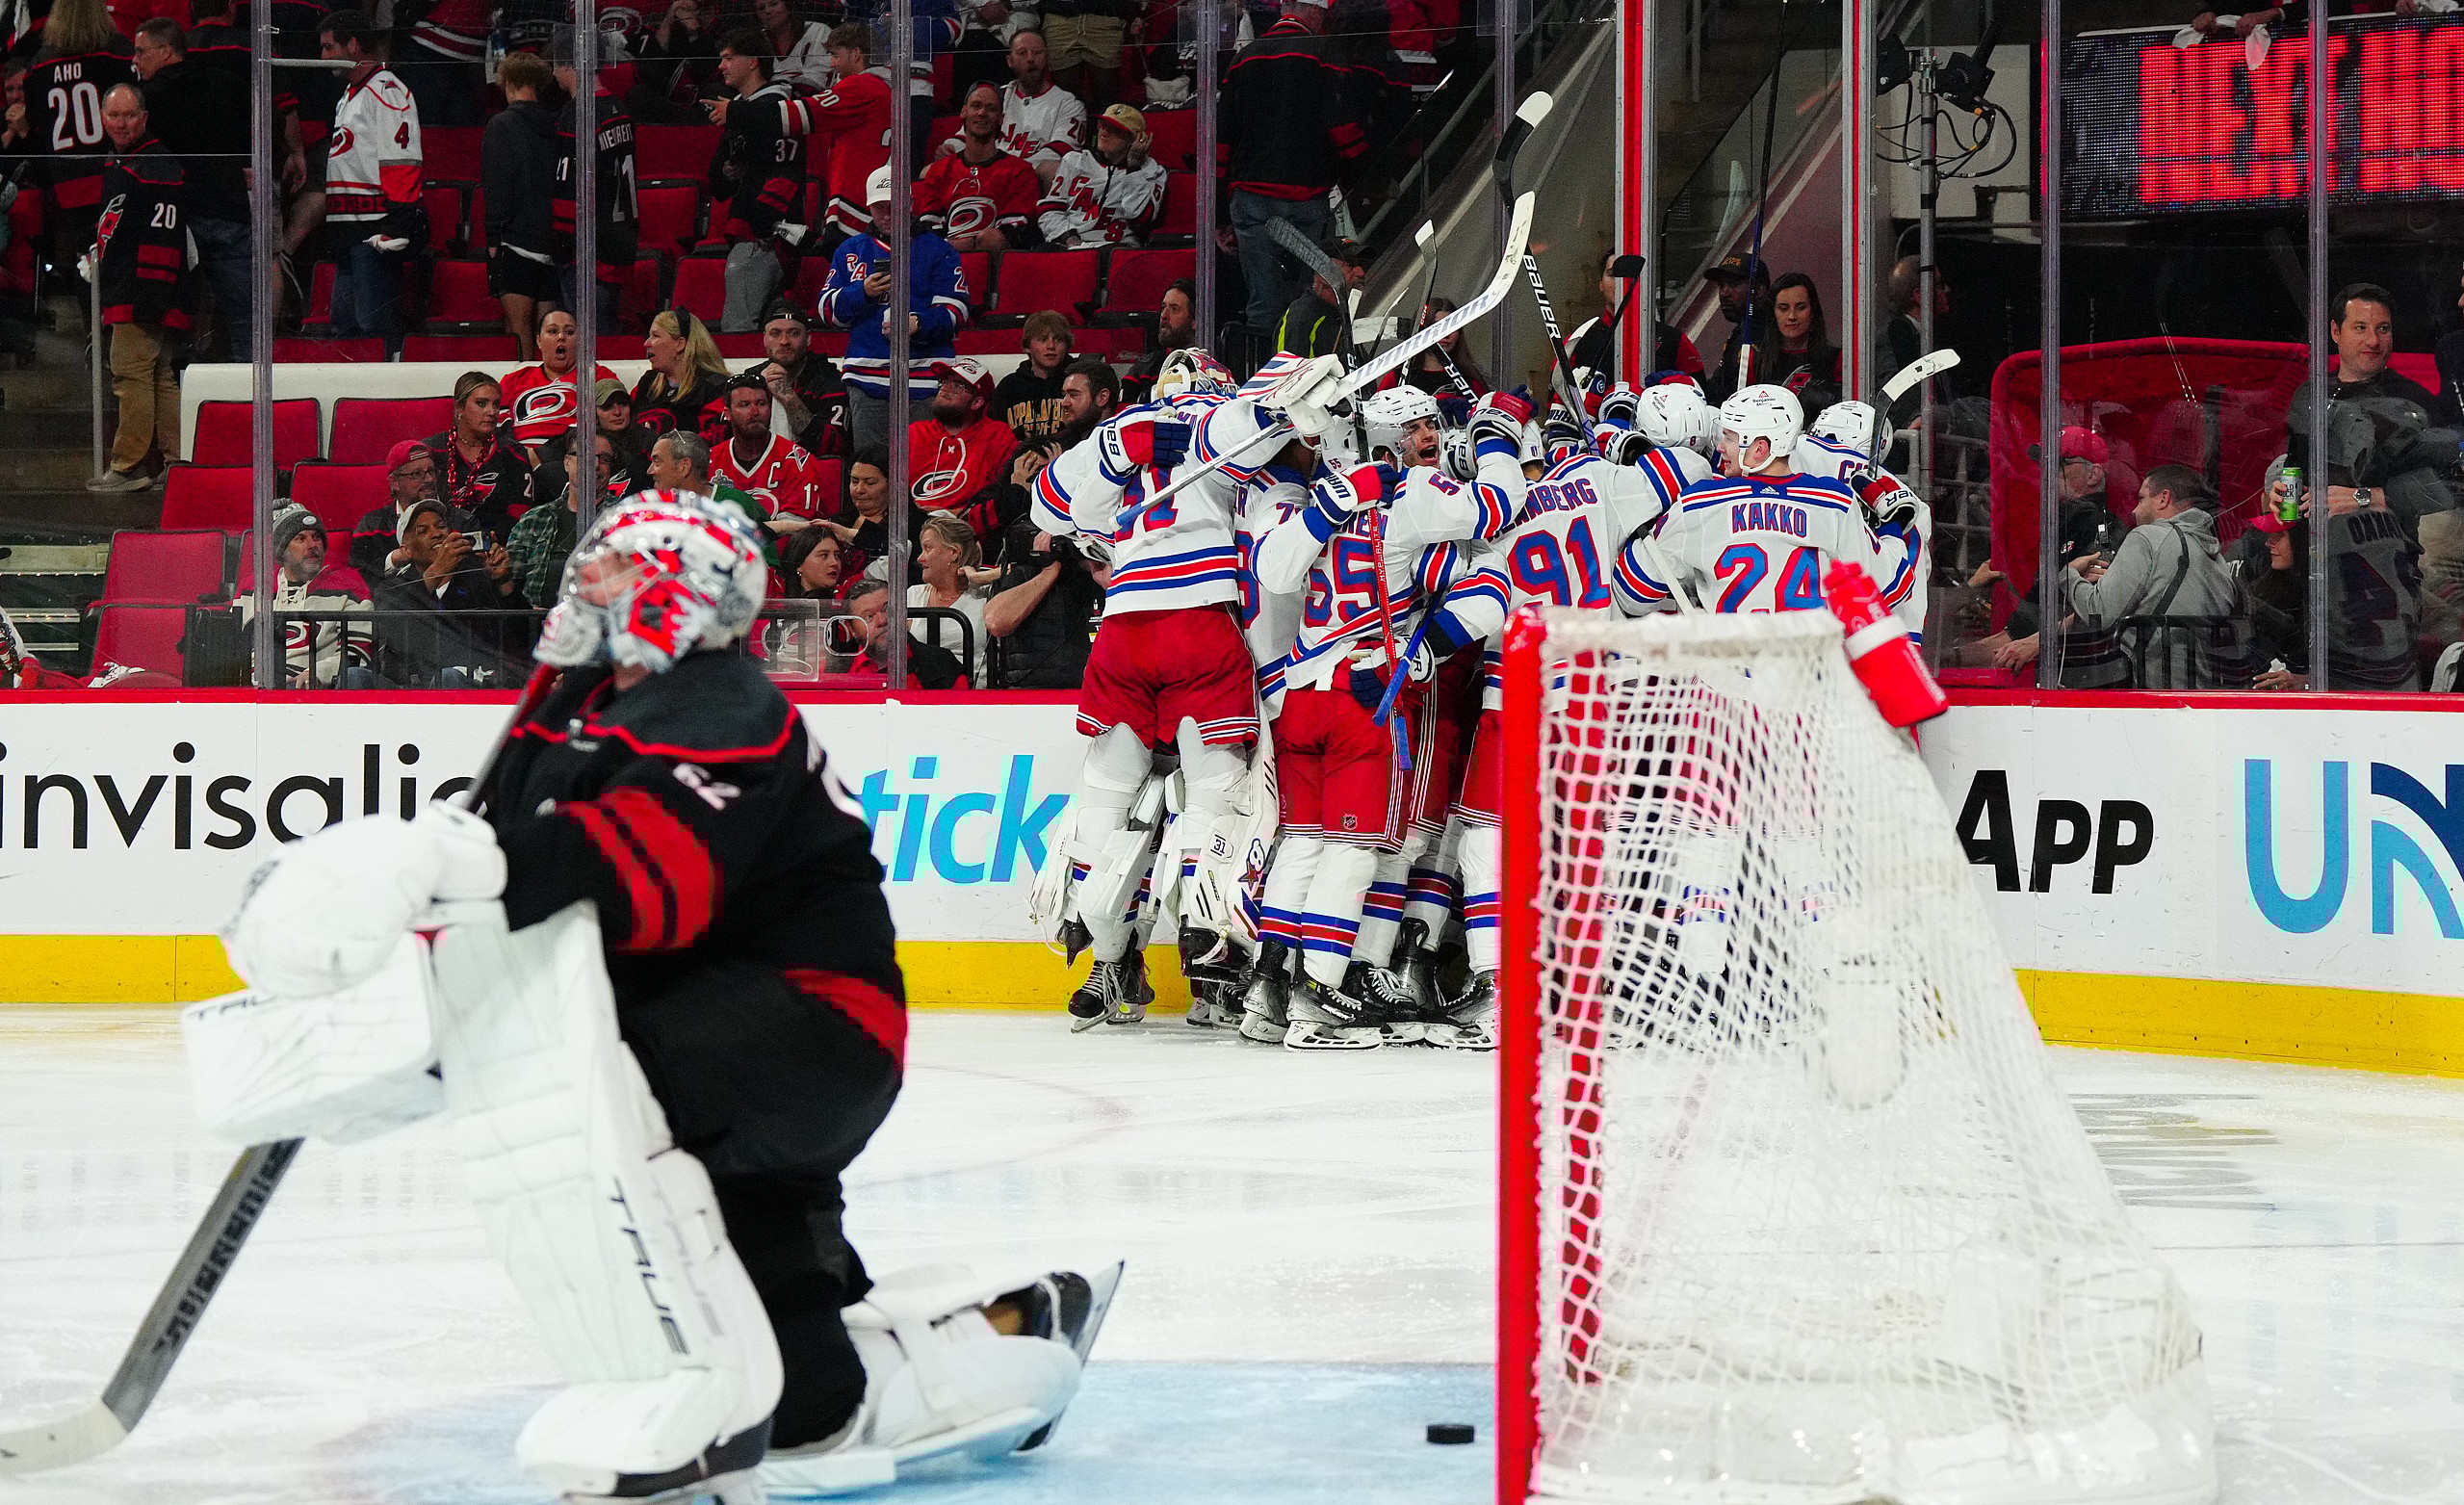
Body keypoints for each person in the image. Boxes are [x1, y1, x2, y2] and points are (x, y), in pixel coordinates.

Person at [217, 487, 1099, 1502]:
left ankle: (705, 1388)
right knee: (806, 1398)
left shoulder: (721, 702)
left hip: (810, 1027)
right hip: (724, 1022)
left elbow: (650, 881)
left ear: (677, 597)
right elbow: (490, 857)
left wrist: (449, 867)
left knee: (583, 1077)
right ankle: (990, 1343)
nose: (586, 591)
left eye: (616, 576)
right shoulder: (578, 706)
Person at [1612, 384, 1901, 621]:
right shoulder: (1835, 503)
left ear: (1760, 448)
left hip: (1727, 684)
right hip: (1810, 682)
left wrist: (1649, 522)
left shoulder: (1700, 503)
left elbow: (1632, 593)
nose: (1720, 447)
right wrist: (1892, 526)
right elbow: (1891, 589)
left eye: (1729, 438)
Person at [1222, 0, 1365, 336]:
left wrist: (1218, 210)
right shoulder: (1324, 54)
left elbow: (1222, 140)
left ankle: (1262, 379)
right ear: (1314, 12)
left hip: (1251, 198)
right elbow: (1344, 130)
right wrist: (1364, 177)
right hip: (1306, 196)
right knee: (1311, 299)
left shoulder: (1244, 58)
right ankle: (1303, 374)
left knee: (1263, 304)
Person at [819, 165, 972, 457]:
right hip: (866, 376)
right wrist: (861, 293)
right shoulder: (850, 251)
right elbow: (828, 310)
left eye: (895, 206)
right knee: (870, 465)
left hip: (927, 376)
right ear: (869, 208)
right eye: (880, 208)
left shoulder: (938, 250)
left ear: (911, 204)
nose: (888, 215)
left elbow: (958, 309)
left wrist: (919, 323)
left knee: (923, 462)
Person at [2285, 281, 2461, 531]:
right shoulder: (2309, 395)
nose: (2373, 341)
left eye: (2383, 329)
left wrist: (2364, 498)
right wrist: (2279, 493)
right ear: (2336, 331)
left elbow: (2448, 488)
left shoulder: (2416, 402)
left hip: (2387, 549)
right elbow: (2293, 468)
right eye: (2360, 328)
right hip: (2315, 549)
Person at [87, 83, 188, 495]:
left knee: (130, 376)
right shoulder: (129, 161)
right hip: (146, 290)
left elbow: (164, 236)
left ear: (144, 118)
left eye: (130, 115)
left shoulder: (153, 164)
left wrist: (149, 297)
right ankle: (177, 466)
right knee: (161, 376)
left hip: (143, 292)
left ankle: (127, 469)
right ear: (103, 119)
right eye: (114, 116)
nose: (122, 123)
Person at [2061, 463, 2242, 689]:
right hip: (2206, 697)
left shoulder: (2147, 536)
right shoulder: (2217, 558)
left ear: (2164, 498)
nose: (2134, 511)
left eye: (2141, 498)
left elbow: (2099, 613)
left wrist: (2069, 574)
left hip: (2149, 696)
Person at [133, 19, 251, 362]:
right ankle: (254, 401)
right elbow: (266, 127)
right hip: (229, 209)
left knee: (178, 318)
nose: (135, 60)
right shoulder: (228, 84)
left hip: (176, 219)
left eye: (141, 51)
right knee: (246, 319)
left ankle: (187, 399)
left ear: (166, 50)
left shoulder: (149, 101)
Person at [321, 12, 422, 358]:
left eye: (329, 47)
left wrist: (397, 224)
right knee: (344, 325)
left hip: (373, 230)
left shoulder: (388, 91)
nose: (323, 57)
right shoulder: (349, 94)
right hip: (347, 229)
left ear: (353, 44)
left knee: (374, 328)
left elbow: (401, 160)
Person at [706, 32, 814, 331]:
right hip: (754, 234)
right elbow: (719, 181)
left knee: (739, 327)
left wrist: (762, 223)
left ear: (753, 62)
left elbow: (786, 171)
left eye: (729, 58)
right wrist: (728, 172)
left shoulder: (778, 108)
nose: (722, 66)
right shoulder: (740, 109)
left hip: (765, 239)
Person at [367, 495, 529, 687]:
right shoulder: (394, 587)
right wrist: (436, 572)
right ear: (407, 550)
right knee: (355, 676)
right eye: (423, 531)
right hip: (410, 690)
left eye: (441, 526)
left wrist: (502, 580)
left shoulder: (476, 576)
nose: (436, 534)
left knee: (449, 677)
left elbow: (522, 637)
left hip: (472, 683)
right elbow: (392, 628)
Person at [26, 0, 135, 272]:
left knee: (87, 265)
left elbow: (37, 126)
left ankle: (92, 316)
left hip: (68, 181)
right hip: (116, 174)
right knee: (123, 259)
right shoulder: (117, 51)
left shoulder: (39, 65)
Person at [549, 28, 640, 332]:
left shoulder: (577, 113)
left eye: (556, 63)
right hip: (619, 239)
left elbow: (568, 186)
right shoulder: (619, 108)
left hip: (589, 251)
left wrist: (561, 244)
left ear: (570, 66)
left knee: (590, 340)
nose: (553, 71)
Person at [235, 503, 376, 689]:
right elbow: (232, 648)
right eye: (300, 539)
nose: (312, 545)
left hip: (316, 691)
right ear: (281, 551)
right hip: (254, 691)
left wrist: (317, 673)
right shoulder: (253, 588)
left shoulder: (348, 585)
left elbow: (357, 653)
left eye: (317, 538)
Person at [480, 51, 561, 360]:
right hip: (552, 241)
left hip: (515, 242)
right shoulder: (555, 123)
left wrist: (492, 240)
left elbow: (498, 188)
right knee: (549, 333)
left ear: (509, 81)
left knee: (519, 333)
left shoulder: (500, 126)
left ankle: (526, 400)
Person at [915, 79, 1043, 251]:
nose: (982, 113)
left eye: (991, 109)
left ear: (1000, 119)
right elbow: (929, 227)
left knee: (990, 238)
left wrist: (963, 244)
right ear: (963, 112)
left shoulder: (1019, 171)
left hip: (997, 265)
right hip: (945, 265)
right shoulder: (939, 170)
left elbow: (1013, 233)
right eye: (976, 106)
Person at [506, 427, 625, 606]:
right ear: (567, 462)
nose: (595, 464)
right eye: (586, 454)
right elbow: (509, 586)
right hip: (538, 626)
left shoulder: (625, 518)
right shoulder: (532, 521)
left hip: (602, 625)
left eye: (604, 459)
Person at [984, 515, 1104, 687]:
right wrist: (1048, 571)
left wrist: (1099, 565)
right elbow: (996, 622)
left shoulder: (1102, 574)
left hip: (1093, 686)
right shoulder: (1028, 573)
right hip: (1031, 689)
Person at [908, 355, 1020, 534]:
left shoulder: (996, 435)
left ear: (977, 402)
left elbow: (1006, 493)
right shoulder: (914, 433)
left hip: (968, 532)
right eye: (946, 381)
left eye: (958, 385)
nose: (946, 388)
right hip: (912, 526)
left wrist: (962, 516)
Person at [801, 22, 892, 242]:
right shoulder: (880, 86)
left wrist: (739, 112)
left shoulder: (862, 86)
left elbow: (799, 115)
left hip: (856, 200)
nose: (832, 63)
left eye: (835, 55)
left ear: (856, 54)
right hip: (867, 197)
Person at [419, 374, 536, 539]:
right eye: (482, 404)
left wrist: (492, 542)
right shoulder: (431, 451)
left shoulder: (512, 453)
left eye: (496, 404)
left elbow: (521, 513)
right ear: (460, 407)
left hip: (499, 547)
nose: (492, 412)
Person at [1035, 101, 1167, 248]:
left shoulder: (1152, 171)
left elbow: (1141, 217)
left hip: (1117, 248)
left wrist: (1133, 169)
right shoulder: (1075, 160)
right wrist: (1069, 239)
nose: (1103, 133)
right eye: (1103, 126)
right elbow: (1050, 210)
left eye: (1115, 130)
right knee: (1044, 250)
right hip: (1071, 243)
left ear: (1136, 140)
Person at [1568, 247, 1701, 391]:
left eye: (1629, 274)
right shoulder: (1579, 340)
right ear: (1600, 284)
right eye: (1612, 274)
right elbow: (1558, 405)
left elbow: (1700, 396)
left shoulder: (1674, 340)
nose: (1621, 281)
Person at [712, 372, 833, 523]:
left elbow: (796, 530)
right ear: (727, 414)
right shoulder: (710, 460)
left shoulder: (796, 459)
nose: (754, 412)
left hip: (779, 545)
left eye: (761, 404)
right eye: (744, 405)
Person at [503, 308, 627, 454]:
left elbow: (612, 426)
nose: (561, 337)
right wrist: (516, 456)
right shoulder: (514, 380)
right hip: (517, 458)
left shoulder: (598, 376)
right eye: (552, 331)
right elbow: (499, 429)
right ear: (539, 341)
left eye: (569, 332)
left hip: (570, 457)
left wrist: (543, 454)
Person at [351, 440, 477, 581]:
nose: (429, 479)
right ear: (395, 483)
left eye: (431, 471)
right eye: (417, 474)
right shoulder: (372, 526)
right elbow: (356, 575)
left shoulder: (462, 520)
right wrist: (394, 559)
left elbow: (474, 573)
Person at [907, 507, 1001, 680]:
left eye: (928, 548)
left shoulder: (987, 595)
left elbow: (1024, 571)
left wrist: (985, 576)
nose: (920, 558)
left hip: (975, 698)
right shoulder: (912, 595)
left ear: (954, 553)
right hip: (924, 698)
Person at [747, 301, 849, 455]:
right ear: (765, 339)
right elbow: (723, 437)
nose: (784, 341)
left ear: (808, 338)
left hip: (812, 472)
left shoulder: (828, 379)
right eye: (775, 333)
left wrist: (788, 397)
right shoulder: (750, 379)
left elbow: (833, 445)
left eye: (794, 333)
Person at [990, 27, 1084, 187]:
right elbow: (968, 135)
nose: (1030, 58)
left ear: (1047, 57)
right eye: (1022, 53)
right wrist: (950, 146)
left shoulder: (1068, 103)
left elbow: (1060, 151)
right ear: (1010, 61)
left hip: (1033, 178)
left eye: (1037, 52)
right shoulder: (997, 95)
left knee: (1052, 169)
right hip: (990, 172)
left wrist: (1014, 170)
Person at [820, 448, 928, 584]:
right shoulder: (838, 521)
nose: (859, 490)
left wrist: (848, 534)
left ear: (894, 485)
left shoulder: (915, 525)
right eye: (854, 481)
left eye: (870, 483)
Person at [1748, 272, 1841, 423]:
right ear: (1773, 313)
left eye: (1801, 307)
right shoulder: (1755, 359)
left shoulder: (1836, 359)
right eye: (1783, 308)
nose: (1792, 316)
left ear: (1812, 312)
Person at [1379, 294, 1489, 422]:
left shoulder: (1471, 381)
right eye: (1437, 327)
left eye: (1451, 327)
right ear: (1420, 331)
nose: (1446, 335)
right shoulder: (1396, 379)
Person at [845, 573, 970, 686]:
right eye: (868, 616)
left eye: (888, 609)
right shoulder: (834, 670)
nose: (883, 620)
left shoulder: (943, 665)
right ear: (852, 629)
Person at [633, 307, 735, 440]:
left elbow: (715, 440)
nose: (647, 343)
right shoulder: (648, 382)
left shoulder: (714, 387)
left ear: (680, 344)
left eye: (656, 336)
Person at [992, 311, 1074, 447]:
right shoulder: (1009, 386)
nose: (1051, 346)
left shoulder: (1079, 381)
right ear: (1027, 346)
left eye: (1058, 340)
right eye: (1043, 340)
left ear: (1067, 346)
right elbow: (995, 437)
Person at [1700, 251, 1772, 402]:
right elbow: (1718, 388)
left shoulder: (1774, 334)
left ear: (1759, 290)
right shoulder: (1740, 331)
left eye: (1733, 284)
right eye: (1721, 285)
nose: (1724, 293)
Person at [1276, 242, 1362, 358]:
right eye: (1350, 266)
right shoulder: (1301, 316)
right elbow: (1289, 373)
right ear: (1323, 274)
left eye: (1361, 266)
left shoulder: (1342, 315)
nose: (1361, 273)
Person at [1119, 275, 1194, 405]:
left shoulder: (1213, 367)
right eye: (1163, 308)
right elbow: (1124, 415)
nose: (1164, 316)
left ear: (1195, 321)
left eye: (1174, 309)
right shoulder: (1144, 368)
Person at [756, 0, 834, 89]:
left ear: (788, 5)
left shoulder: (817, 31)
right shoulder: (757, 43)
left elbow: (821, 76)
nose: (767, 11)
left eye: (774, 4)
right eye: (761, 8)